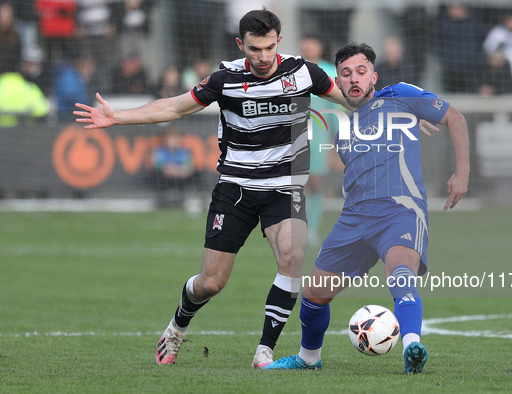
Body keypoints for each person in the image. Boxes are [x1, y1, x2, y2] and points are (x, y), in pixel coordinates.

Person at [74, 9, 343, 368]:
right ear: (240, 44)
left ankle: (265, 351)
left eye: (268, 47)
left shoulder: (303, 72)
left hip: (283, 186)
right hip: (235, 188)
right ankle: (177, 326)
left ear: (279, 40)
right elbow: (173, 107)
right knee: (212, 282)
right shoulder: (224, 78)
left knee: (293, 257)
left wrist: (403, 104)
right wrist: (117, 116)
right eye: (253, 49)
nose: (262, 57)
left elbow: (352, 97)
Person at [262, 42, 469, 374]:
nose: (354, 78)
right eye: (346, 74)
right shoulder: (342, 128)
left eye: (361, 72)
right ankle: (308, 359)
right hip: (354, 219)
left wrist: (462, 173)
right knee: (314, 294)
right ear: (338, 83)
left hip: (400, 209)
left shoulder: (399, 95)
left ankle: (412, 345)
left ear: (374, 76)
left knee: (401, 273)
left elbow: (455, 118)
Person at [299, 34, 340, 246]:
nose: (308, 47)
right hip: (293, 135)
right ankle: (292, 226)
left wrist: (337, 140)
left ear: (319, 46)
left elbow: (334, 108)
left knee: (315, 183)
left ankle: (312, 227)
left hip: (319, 134)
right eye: (305, 43)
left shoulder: (330, 73)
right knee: (292, 184)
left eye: (312, 43)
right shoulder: (292, 71)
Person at [151, 127, 195, 208]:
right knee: (156, 175)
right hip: (166, 178)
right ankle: (161, 199)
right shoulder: (160, 151)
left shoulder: (185, 152)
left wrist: (176, 170)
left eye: (176, 138)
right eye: (171, 139)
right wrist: (174, 170)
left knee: (198, 174)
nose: (174, 141)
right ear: (165, 140)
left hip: (182, 178)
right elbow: (158, 165)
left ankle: (201, 197)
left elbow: (189, 167)